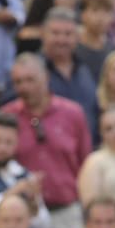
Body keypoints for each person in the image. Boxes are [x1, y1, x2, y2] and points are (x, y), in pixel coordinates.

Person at [1, 52, 90, 228]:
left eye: (30, 80)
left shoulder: (73, 113)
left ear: (46, 77)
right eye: (18, 82)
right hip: (26, 214)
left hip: (69, 211)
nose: (24, 87)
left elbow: (86, 163)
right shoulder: (6, 117)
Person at [40, 9, 99, 139]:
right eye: (55, 33)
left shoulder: (86, 68)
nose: (62, 40)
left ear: (77, 37)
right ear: (43, 34)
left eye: (68, 34)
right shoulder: (30, 70)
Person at [76, 0, 115, 80]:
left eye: (107, 11)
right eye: (95, 10)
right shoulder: (72, 51)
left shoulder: (114, 52)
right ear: (82, 14)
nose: (101, 17)